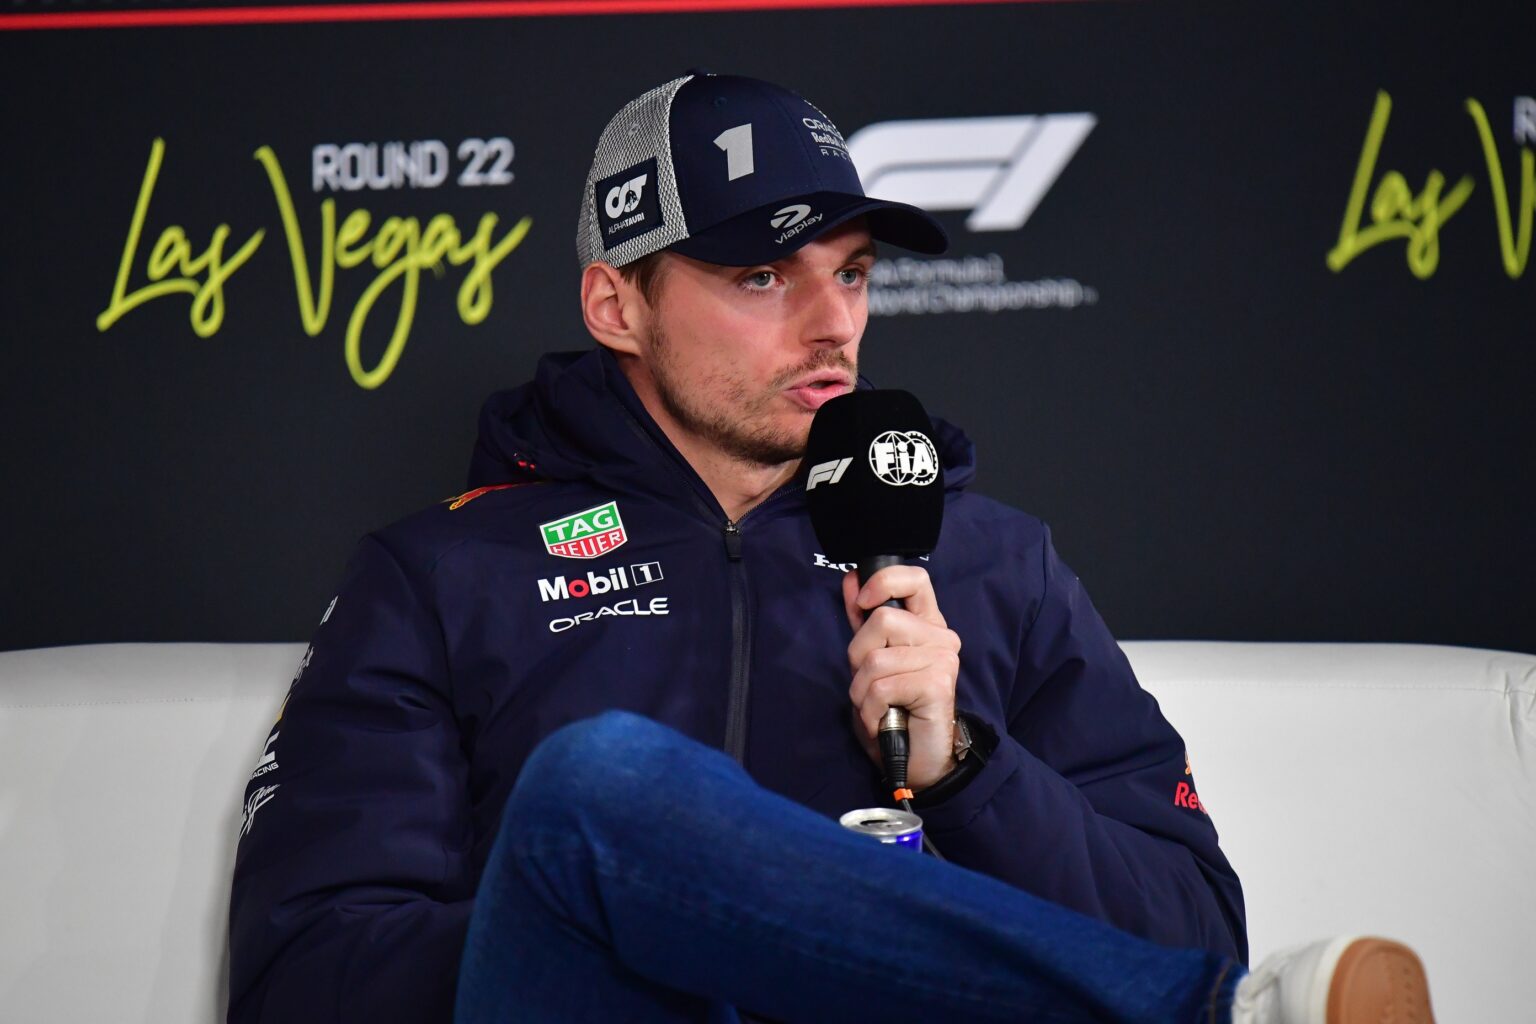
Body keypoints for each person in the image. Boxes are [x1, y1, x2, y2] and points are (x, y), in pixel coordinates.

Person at [226, 73, 1433, 1024]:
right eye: (760, 275)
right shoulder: (440, 573)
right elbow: (302, 978)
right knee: (597, 794)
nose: (832, 324)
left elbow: (1192, 929)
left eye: (850, 273)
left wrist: (968, 768)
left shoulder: (992, 562)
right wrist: (633, 914)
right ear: (617, 307)